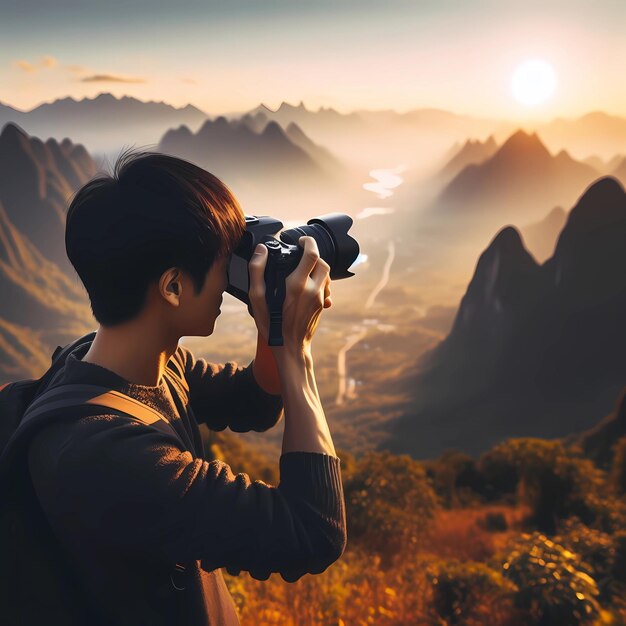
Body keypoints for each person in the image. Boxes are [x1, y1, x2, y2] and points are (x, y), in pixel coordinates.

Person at [26, 150, 347, 625]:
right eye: (223, 262)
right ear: (173, 286)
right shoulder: (105, 455)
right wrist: (296, 352)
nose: (229, 279)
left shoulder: (124, 360)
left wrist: (273, 321)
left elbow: (255, 401)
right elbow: (312, 531)